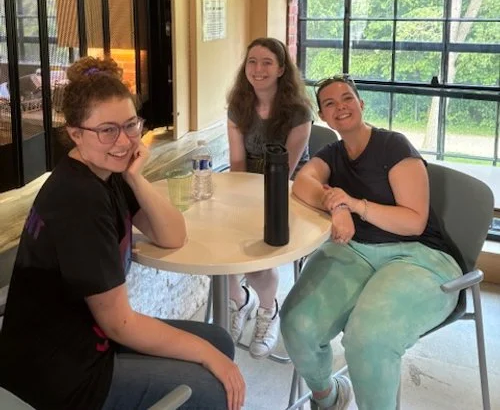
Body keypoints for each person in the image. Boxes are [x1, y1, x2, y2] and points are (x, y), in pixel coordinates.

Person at [0, 56, 245, 410]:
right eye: (107, 130)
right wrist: (206, 355)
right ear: (75, 133)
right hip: (59, 372)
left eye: (131, 125)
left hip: (90, 339)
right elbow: (121, 324)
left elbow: (173, 235)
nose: (124, 141)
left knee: (218, 342)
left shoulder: (108, 173)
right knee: (211, 386)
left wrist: (134, 176)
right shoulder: (78, 201)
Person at [280, 75, 463, 410]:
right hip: (355, 251)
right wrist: (336, 206)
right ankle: (328, 397)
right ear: (323, 117)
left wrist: (355, 205)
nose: (340, 107)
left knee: (369, 339)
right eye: (330, 103)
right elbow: (303, 182)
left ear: (361, 104)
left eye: (347, 98)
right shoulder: (332, 153)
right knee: (296, 323)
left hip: (420, 257)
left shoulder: (393, 145)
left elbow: (413, 222)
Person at [226, 37, 313, 359]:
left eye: (266, 62)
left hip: (287, 187)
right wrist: (236, 203)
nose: (258, 69)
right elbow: (237, 163)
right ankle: (239, 301)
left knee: (257, 254)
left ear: (280, 69)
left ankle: (268, 309)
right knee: (218, 247)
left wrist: (252, 208)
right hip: (246, 183)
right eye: (252, 61)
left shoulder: (298, 112)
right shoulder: (238, 105)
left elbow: (285, 170)